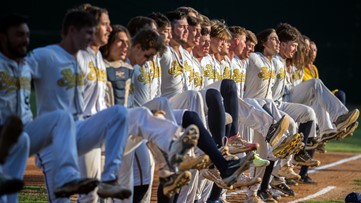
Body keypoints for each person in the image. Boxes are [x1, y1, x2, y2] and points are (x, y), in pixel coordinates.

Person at [0, 12, 100, 203]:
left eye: (27, 35)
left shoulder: (24, 64)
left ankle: (67, 177)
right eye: (19, 35)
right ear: (3, 38)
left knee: (62, 118)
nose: (25, 40)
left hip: (21, 136)